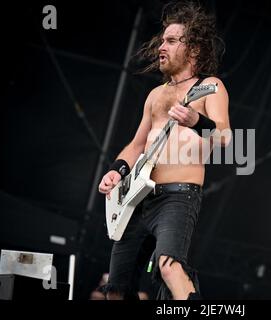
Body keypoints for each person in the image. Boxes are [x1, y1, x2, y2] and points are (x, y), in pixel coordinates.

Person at [98, 1, 230, 300]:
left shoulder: (210, 86)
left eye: (171, 41)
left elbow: (224, 137)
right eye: (162, 40)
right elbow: (137, 144)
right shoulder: (156, 94)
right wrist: (115, 171)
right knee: (115, 289)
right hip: (138, 199)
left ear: (193, 50)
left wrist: (197, 120)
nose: (161, 46)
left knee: (169, 268)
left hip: (178, 196)